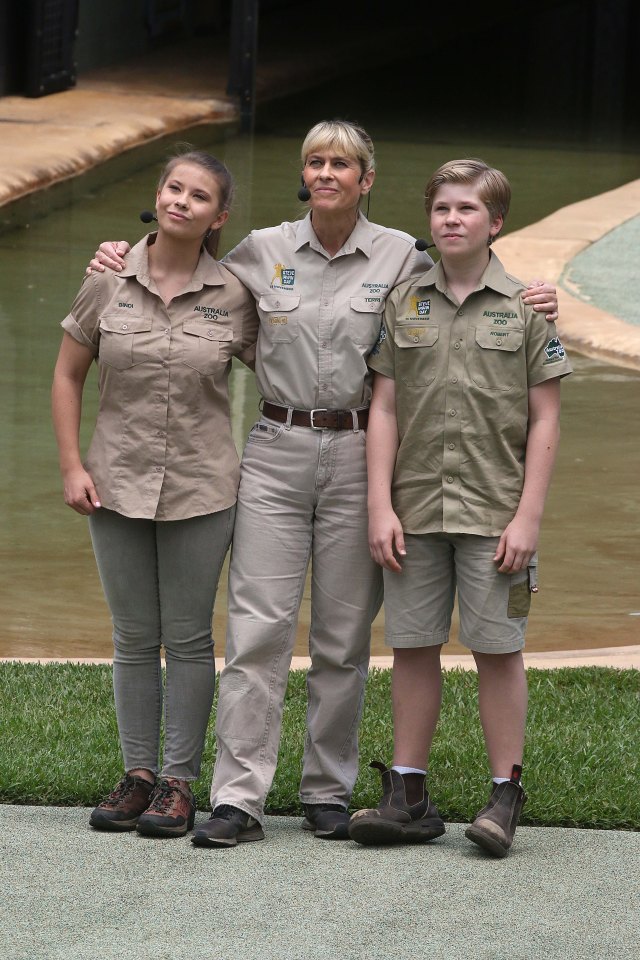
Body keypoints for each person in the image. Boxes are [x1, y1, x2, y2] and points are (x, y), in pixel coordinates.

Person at [88, 122, 559, 848]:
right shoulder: (260, 253)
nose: (328, 172)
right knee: (257, 626)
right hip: (275, 449)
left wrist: (535, 296)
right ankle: (238, 797)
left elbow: (468, 279)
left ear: (366, 179)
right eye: (316, 161)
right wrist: (121, 254)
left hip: (361, 451)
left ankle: (326, 791)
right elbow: (189, 270)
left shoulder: (404, 254)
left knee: (343, 635)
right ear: (303, 174)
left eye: (343, 163)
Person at [348, 158, 572, 858]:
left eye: (467, 209)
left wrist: (528, 516)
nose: (451, 219)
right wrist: (378, 505)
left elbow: (545, 419)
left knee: (497, 651)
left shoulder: (525, 308)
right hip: (414, 509)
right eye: (442, 208)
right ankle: (409, 791)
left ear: (495, 223)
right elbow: (382, 406)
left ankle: (505, 793)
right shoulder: (404, 301)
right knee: (411, 646)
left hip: (494, 511)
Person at [52, 150, 258, 838]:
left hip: (204, 487)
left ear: (218, 216)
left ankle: (179, 783)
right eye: (174, 188)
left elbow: (291, 370)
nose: (181, 201)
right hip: (113, 482)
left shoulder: (234, 293)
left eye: (198, 197)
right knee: (135, 637)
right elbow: (66, 376)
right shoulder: (107, 281)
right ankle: (137, 775)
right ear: (158, 195)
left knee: (191, 638)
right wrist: (72, 465)